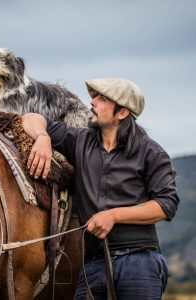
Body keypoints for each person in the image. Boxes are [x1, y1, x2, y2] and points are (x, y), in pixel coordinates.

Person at [21, 77, 179, 300]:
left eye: (102, 99)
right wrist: (43, 137)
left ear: (122, 113)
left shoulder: (151, 152)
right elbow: (30, 118)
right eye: (94, 97)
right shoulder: (79, 140)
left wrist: (113, 215)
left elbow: (167, 204)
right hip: (93, 264)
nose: (92, 102)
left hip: (139, 262)